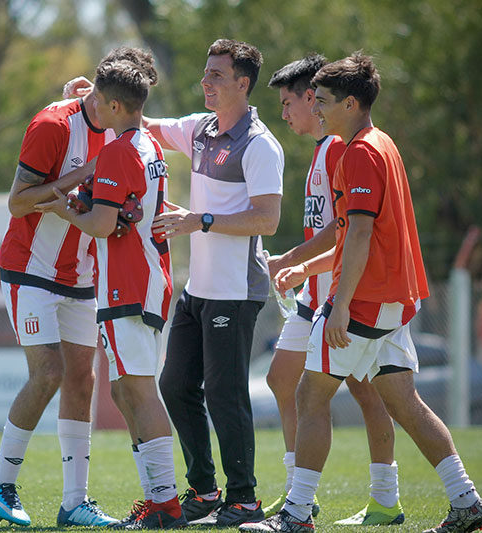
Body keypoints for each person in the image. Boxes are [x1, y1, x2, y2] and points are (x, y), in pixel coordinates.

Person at [240, 53, 482, 533]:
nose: (316, 108)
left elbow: (357, 235)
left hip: (363, 301)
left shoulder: (358, 153)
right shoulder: (381, 143)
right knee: (405, 404)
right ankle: (466, 499)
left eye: (324, 101)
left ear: (351, 104)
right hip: (392, 302)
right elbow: (352, 233)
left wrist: (338, 306)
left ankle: (296, 514)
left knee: (310, 396)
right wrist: (303, 266)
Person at [0, 47, 157, 528]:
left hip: (81, 277)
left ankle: (75, 502)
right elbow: (17, 203)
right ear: (102, 94)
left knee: (83, 380)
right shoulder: (53, 125)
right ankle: (1, 480)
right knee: (48, 373)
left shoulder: (123, 125)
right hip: (31, 270)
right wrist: (82, 175)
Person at [36, 57, 186, 530]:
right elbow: (125, 210)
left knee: (138, 390)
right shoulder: (147, 145)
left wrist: (64, 208)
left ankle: (166, 504)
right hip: (142, 278)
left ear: (115, 105)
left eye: (98, 100)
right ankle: (156, 499)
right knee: (124, 390)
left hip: (130, 282)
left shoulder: (120, 151)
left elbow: (102, 225)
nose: (92, 106)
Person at [145, 39, 284, 527]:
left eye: (217, 75)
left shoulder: (260, 144)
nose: (205, 81)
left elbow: (266, 220)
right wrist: (95, 98)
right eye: (206, 73)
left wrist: (199, 220)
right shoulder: (201, 129)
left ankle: (244, 498)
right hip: (198, 292)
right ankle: (205, 491)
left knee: (226, 395)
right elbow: (145, 125)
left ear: (243, 84)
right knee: (175, 384)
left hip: (235, 292)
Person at [261, 54, 405, 526]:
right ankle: (299, 492)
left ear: (314, 99)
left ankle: (370, 498)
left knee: (361, 393)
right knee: (285, 380)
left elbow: (346, 232)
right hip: (321, 292)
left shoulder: (343, 148)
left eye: (291, 103)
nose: (287, 113)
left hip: (339, 295)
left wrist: (296, 263)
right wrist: (299, 267)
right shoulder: (328, 148)